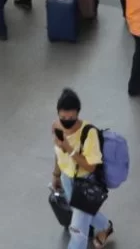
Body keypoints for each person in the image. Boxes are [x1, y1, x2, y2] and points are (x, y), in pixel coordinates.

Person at [50, 89, 115, 249]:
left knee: (77, 230)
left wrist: (70, 149)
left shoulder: (88, 133)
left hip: (85, 183)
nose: (66, 122)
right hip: (67, 179)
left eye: (71, 118)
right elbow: (58, 152)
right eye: (63, 117)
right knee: (82, 212)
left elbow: (91, 167)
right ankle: (105, 226)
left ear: (78, 114)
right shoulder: (56, 126)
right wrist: (56, 174)